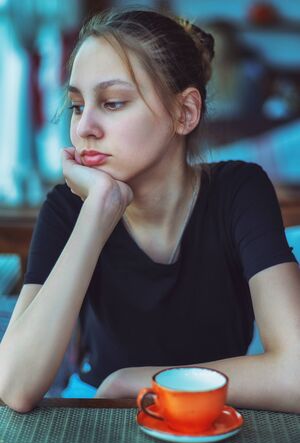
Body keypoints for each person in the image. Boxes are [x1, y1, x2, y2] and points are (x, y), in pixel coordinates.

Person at [0, 6, 299, 414]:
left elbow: (296, 374)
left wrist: (137, 381)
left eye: (113, 102)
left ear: (184, 113)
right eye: (76, 106)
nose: (84, 126)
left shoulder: (239, 192)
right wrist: (99, 210)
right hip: (97, 408)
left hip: (208, 413)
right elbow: (14, 385)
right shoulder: (67, 208)